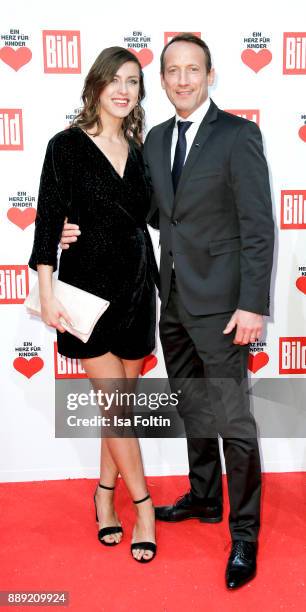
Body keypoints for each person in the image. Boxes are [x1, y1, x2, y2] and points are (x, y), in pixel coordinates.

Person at [61, 33, 274, 588]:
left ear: (209, 75)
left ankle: (244, 535)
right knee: (193, 407)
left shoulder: (238, 135)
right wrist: (69, 229)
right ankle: (205, 498)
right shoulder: (154, 139)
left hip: (226, 307)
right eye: (172, 71)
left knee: (232, 419)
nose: (182, 80)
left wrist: (253, 303)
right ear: (163, 80)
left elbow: (258, 227)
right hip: (171, 300)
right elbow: (145, 214)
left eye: (193, 70)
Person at [28, 46, 159, 563]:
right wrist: (46, 292)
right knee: (117, 406)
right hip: (85, 292)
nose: (124, 90)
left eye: (133, 81)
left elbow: (156, 217)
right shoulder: (64, 146)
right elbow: (45, 221)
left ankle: (105, 496)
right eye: (115, 80)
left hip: (136, 288)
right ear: (96, 86)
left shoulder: (144, 149)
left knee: (118, 407)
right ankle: (143, 507)